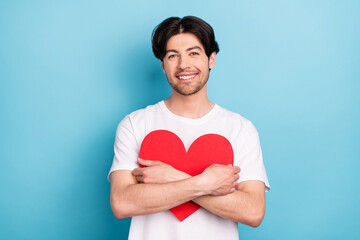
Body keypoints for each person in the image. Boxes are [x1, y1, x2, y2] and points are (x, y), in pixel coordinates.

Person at [108, 16, 270, 240]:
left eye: (193, 53)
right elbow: (122, 203)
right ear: (163, 65)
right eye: (173, 56)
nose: (183, 64)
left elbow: (253, 211)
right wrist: (205, 183)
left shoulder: (240, 129)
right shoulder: (135, 124)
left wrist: (171, 177)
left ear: (211, 59)